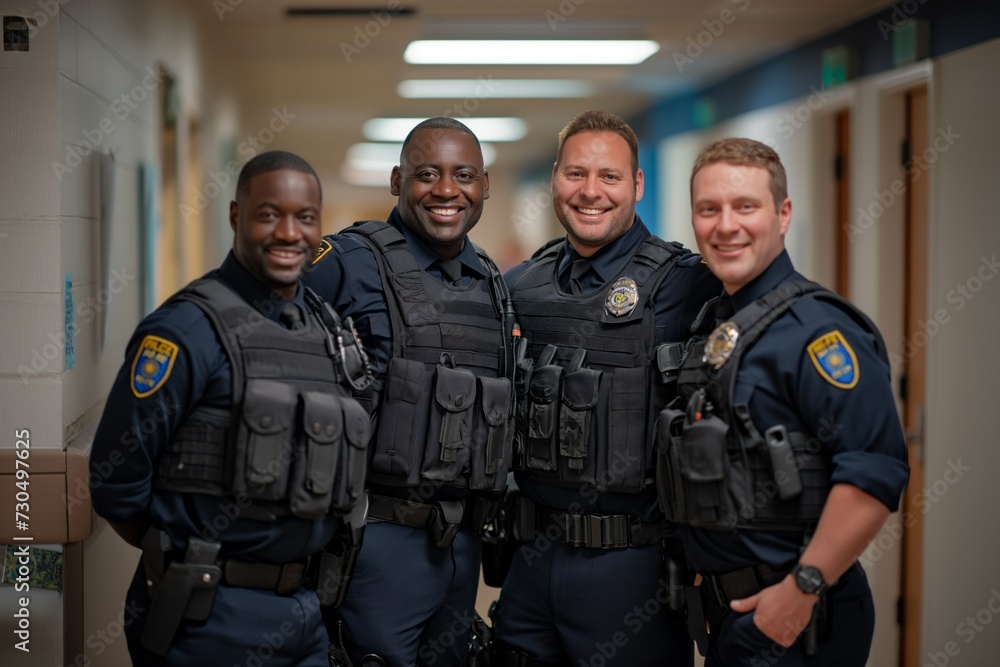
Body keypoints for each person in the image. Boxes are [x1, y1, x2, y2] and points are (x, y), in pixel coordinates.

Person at [88, 150, 373, 667]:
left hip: (306, 610)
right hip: (210, 615)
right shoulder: (184, 330)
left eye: (306, 217)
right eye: (269, 214)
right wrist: (182, 551)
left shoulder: (326, 327)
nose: (290, 232)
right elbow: (116, 486)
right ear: (237, 216)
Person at [657, 137, 909, 666]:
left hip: (798, 618)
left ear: (784, 213)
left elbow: (874, 475)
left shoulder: (818, 332)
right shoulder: (718, 324)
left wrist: (801, 591)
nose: (726, 225)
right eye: (709, 209)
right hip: (731, 612)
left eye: (745, 206)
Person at [489, 109, 722, 666]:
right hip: (530, 564)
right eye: (575, 174)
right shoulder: (519, 288)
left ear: (637, 185)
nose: (590, 192)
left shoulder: (689, 284)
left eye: (610, 177)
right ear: (554, 178)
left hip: (632, 570)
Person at [304, 117, 516, 667]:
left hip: (462, 542)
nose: (447, 190)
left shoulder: (489, 280)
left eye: (464, 175)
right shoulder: (344, 263)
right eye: (427, 174)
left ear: (485, 185)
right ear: (397, 180)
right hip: (372, 541)